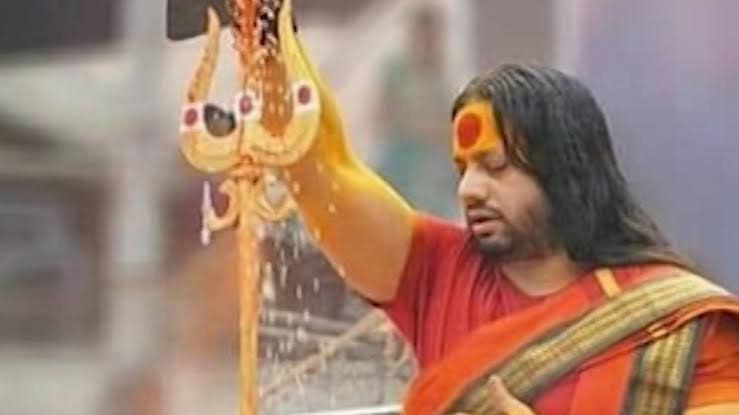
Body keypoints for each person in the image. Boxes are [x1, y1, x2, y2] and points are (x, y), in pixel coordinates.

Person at [282, 31, 739, 414]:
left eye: (495, 166)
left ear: (564, 170)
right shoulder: (437, 271)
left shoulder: (680, 324)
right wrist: (268, 32)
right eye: (463, 169)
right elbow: (320, 165)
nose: (469, 189)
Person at [373, 5, 457, 218]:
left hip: (434, 163)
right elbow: (381, 114)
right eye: (424, 34)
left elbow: (450, 121)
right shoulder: (396, 71)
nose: (429, 41)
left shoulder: (443, 75)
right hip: (401, 157)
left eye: (433, 35)